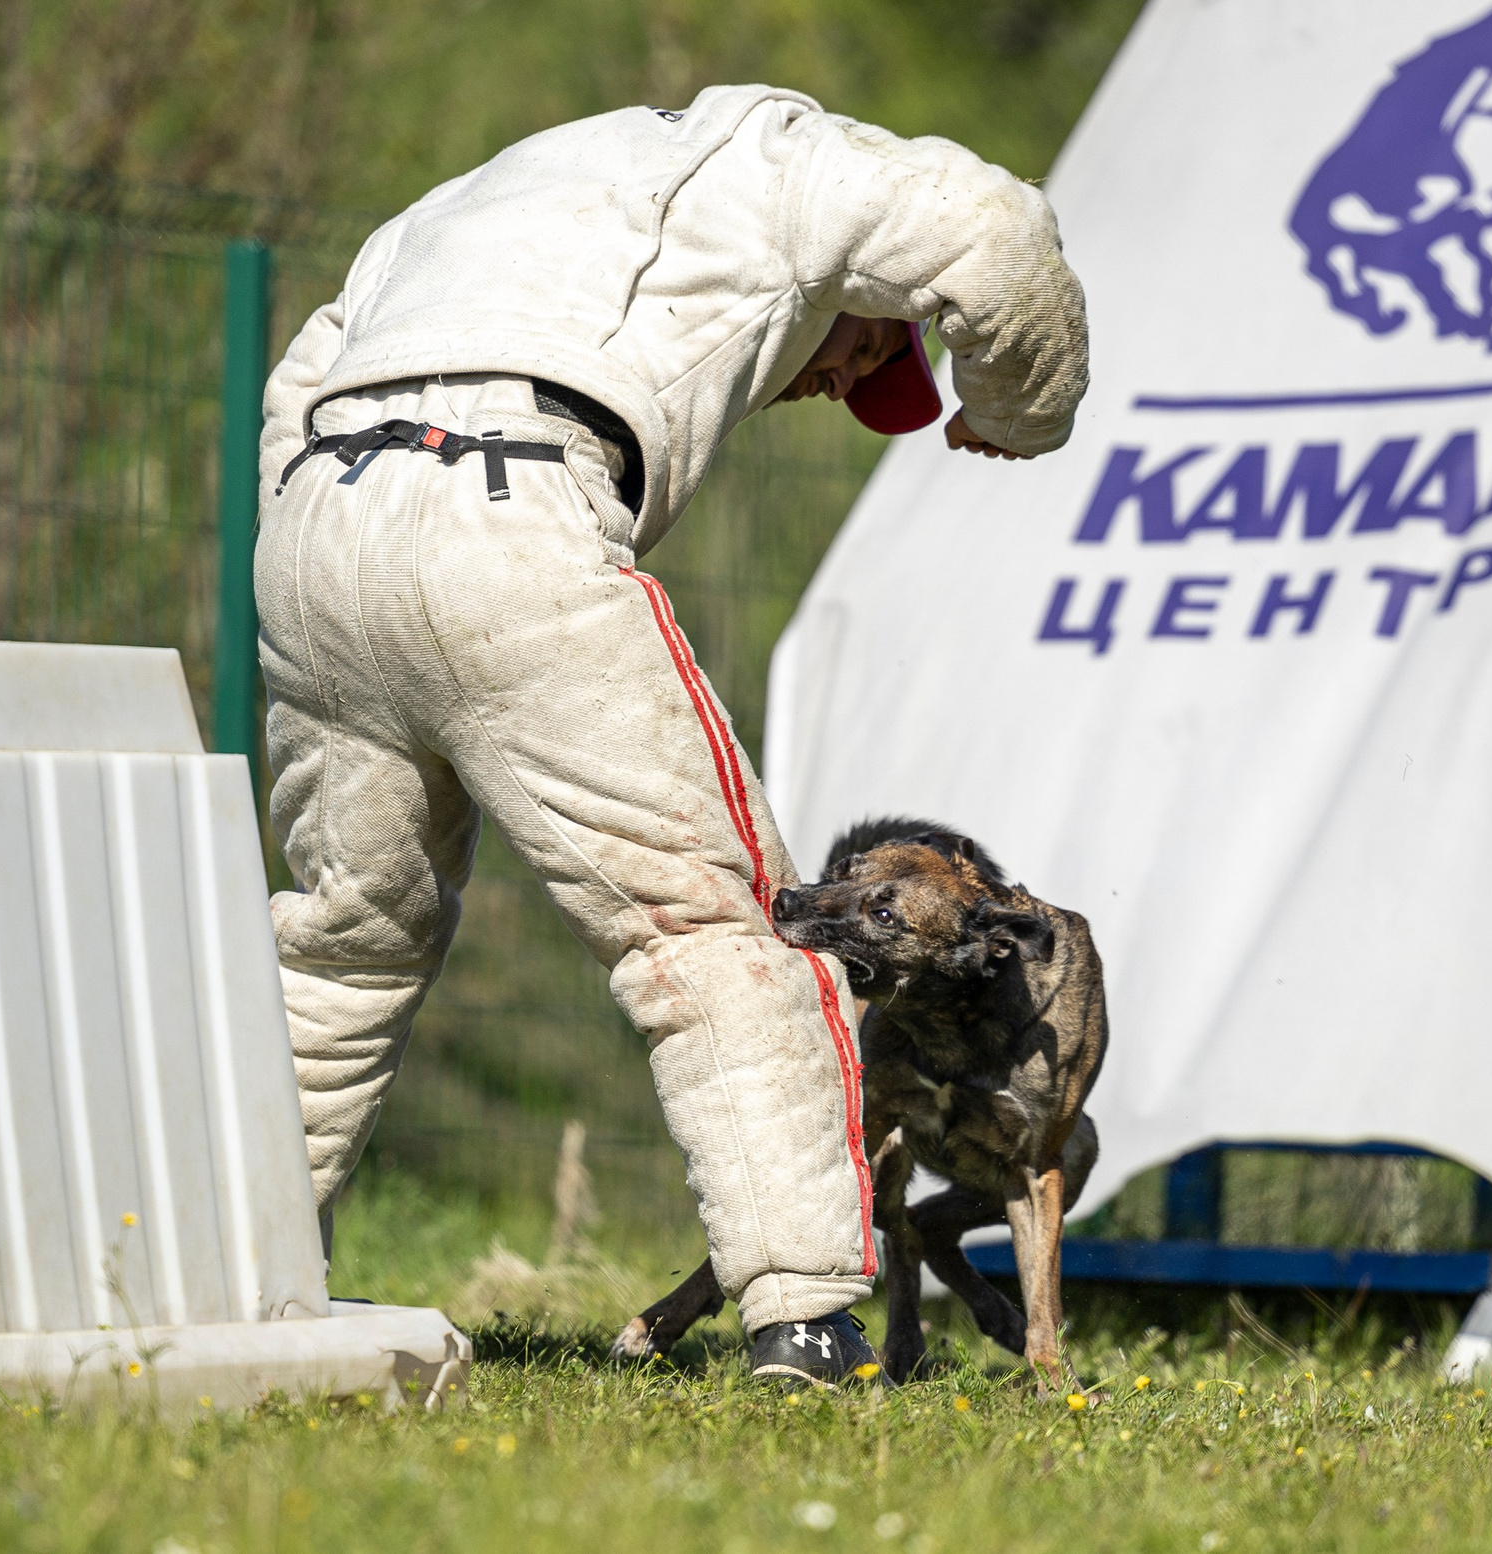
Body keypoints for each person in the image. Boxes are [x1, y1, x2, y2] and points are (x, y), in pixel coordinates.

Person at [252, 84, 1089, 1385]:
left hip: (316, 521)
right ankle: (804, 1316)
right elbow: (991, 224)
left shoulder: (491, 183)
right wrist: (1020, 406)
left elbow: (302, 368)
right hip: (513, 494)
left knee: (342, 941)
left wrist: (318, 533)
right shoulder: (784, 159)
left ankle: (224, 1265)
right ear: (864, 293)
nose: (830, 382)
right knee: (719, 924)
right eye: (866, 356)